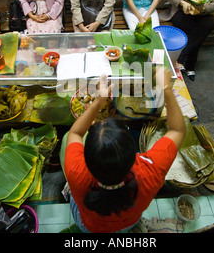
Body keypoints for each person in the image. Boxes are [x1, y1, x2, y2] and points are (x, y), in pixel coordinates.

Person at [61, 68, 185, 233]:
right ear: (134, 154)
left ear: (86, 159)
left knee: (65, 142)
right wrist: (167, 88)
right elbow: (177, 130)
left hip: (89, 226)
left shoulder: (76, 172)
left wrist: (99, 101)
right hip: (128, 223)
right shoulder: (150, 173)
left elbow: (75, 133)